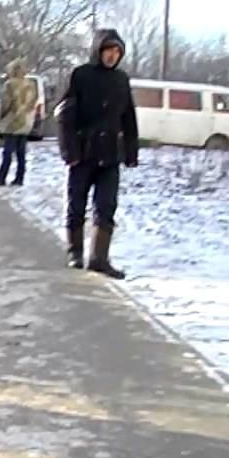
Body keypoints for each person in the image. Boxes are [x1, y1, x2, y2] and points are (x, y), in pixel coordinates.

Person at [57, 29, 140, 277]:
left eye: (117, 52)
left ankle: (99, 257)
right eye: (108, 50)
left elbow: (128, 117)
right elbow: (64, 115)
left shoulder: (121, 80)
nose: (112, 56)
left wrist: (131, 151)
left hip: (110, 155)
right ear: (98, 50)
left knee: (106, 205)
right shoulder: (80, 75)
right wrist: (69, 150)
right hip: (82, 153)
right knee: (77, 204)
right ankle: (74, 251)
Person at [0, 58, 38, 186]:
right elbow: (33, 102)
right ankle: (19, 178)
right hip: (25, 121)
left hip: (12, 121)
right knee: (21, 153)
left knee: (8, 152)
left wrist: (1, 116)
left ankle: (1, 177)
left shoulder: (9, 84)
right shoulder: (30, 84)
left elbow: (6, 103)